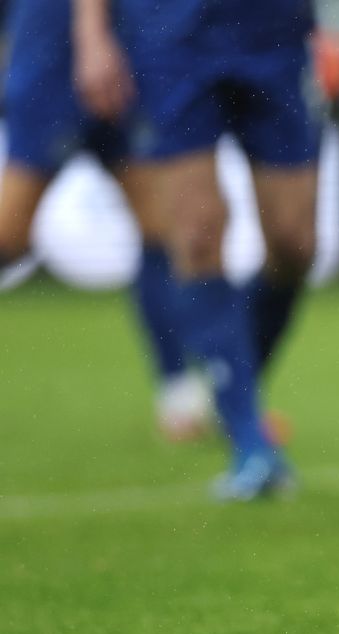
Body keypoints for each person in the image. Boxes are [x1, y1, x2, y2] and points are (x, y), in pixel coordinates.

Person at [72, 0, 323, 499]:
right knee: (197, 234)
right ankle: (251, 443)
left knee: (294, 243)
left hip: (273, 31)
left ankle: (229, 385)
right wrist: (92, 38)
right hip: (170, 34)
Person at [0, 0, 211, 440]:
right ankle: (180, 395)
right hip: (56, 51)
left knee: (158, 227)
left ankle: (179, 394)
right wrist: (90, 40)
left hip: (125, 53)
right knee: (10, 233)